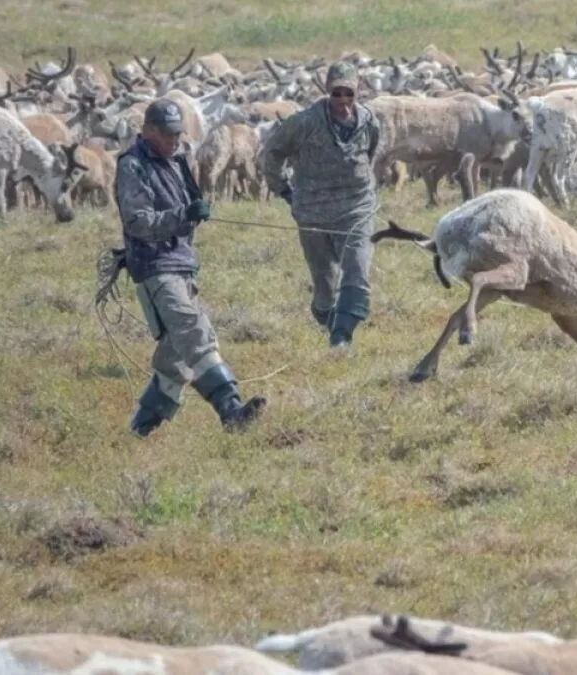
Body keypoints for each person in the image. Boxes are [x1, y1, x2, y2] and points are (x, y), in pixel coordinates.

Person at [114, 98, 266, 436]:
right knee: (194, 331)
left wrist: (197, 210)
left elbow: (185, 206)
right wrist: (183, 215)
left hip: (182, 261)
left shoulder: (179, 159)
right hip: (154, 265)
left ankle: (139, 430)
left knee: (176, 357)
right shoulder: (132, 165)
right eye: (167, 135)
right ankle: (230, 410)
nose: (174, 141)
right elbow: (138, 222)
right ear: (148, 130)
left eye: (178, 134)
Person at [261, 60, 382, 348]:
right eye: (337, 93)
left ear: (358, 92)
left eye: (349, 93)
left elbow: (371, 153)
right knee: (325, 285)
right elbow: (272, 152)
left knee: (356, 267)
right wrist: (284, 190)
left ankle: (341, 338)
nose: (343, 100)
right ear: (327, 91)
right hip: (313, 213)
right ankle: (327, 318)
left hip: (356, 208)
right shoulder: (304, 123)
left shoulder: (369, 122)